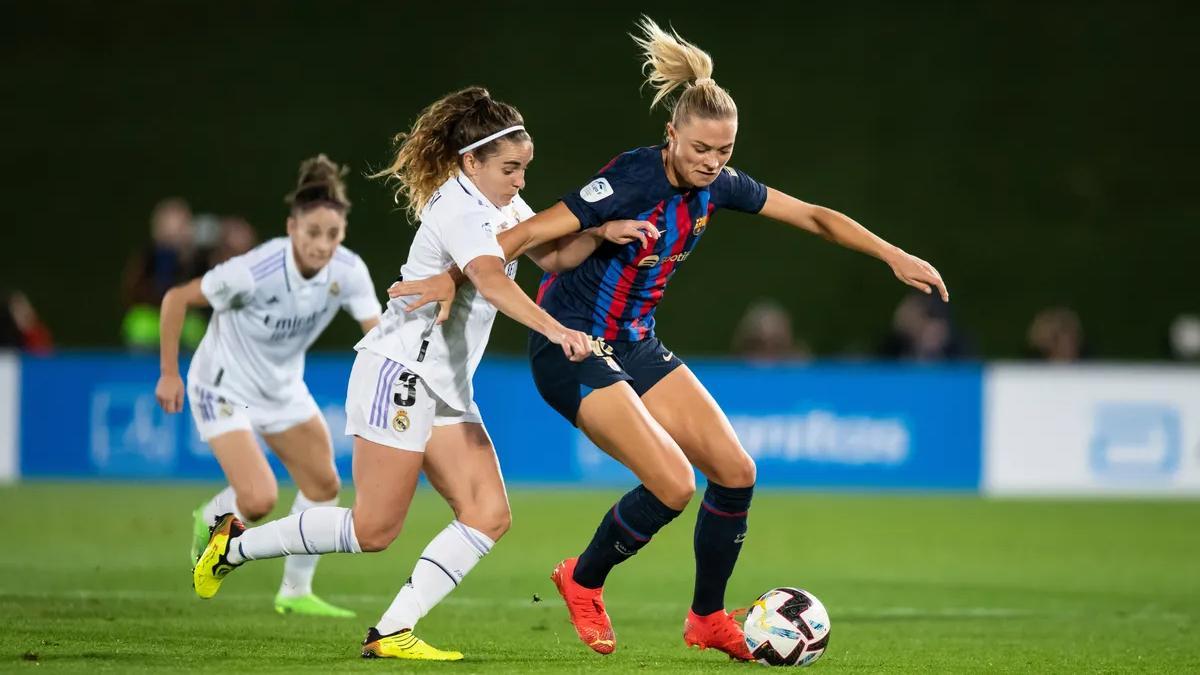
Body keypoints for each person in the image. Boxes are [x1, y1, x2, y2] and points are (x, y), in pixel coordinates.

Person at [389, 17, 949, 660]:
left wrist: (892, 255)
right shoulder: (632, 178)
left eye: (724, 152)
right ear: (671, 135)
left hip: (635, 342)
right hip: (568, 346)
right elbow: (523, 235)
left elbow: (815, 218)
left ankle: (707, 618)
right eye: (700, 150)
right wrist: (451, 278)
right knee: (674, 485)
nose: (712, 164)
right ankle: (582, 579)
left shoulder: (721, 187)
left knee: (736, 473)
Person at [190, 87, 650, 661]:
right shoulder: (459, 206)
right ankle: (234, 545)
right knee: (373, 530)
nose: (520, 181)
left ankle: (391, 630)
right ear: (470, 162)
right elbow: (489, 278)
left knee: (488, 514)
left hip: (446, 383)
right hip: (400, 370)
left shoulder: (500, 204)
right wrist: (557, 330)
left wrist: (600, 234)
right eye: (511, 168)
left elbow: (551, 257)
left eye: (525, 168)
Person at [157, 155, 382, 619]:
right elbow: (176, 298)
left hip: (280, 386)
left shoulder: (348, 270)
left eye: (333, 235)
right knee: (258, 499)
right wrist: (169, 373)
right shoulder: (254, 270)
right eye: (312, 233)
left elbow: (375, 332)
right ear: (291, 227)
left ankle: (295, 592)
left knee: (322, 486)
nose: (322, 245)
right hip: (222, 383)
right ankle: (209, 519)